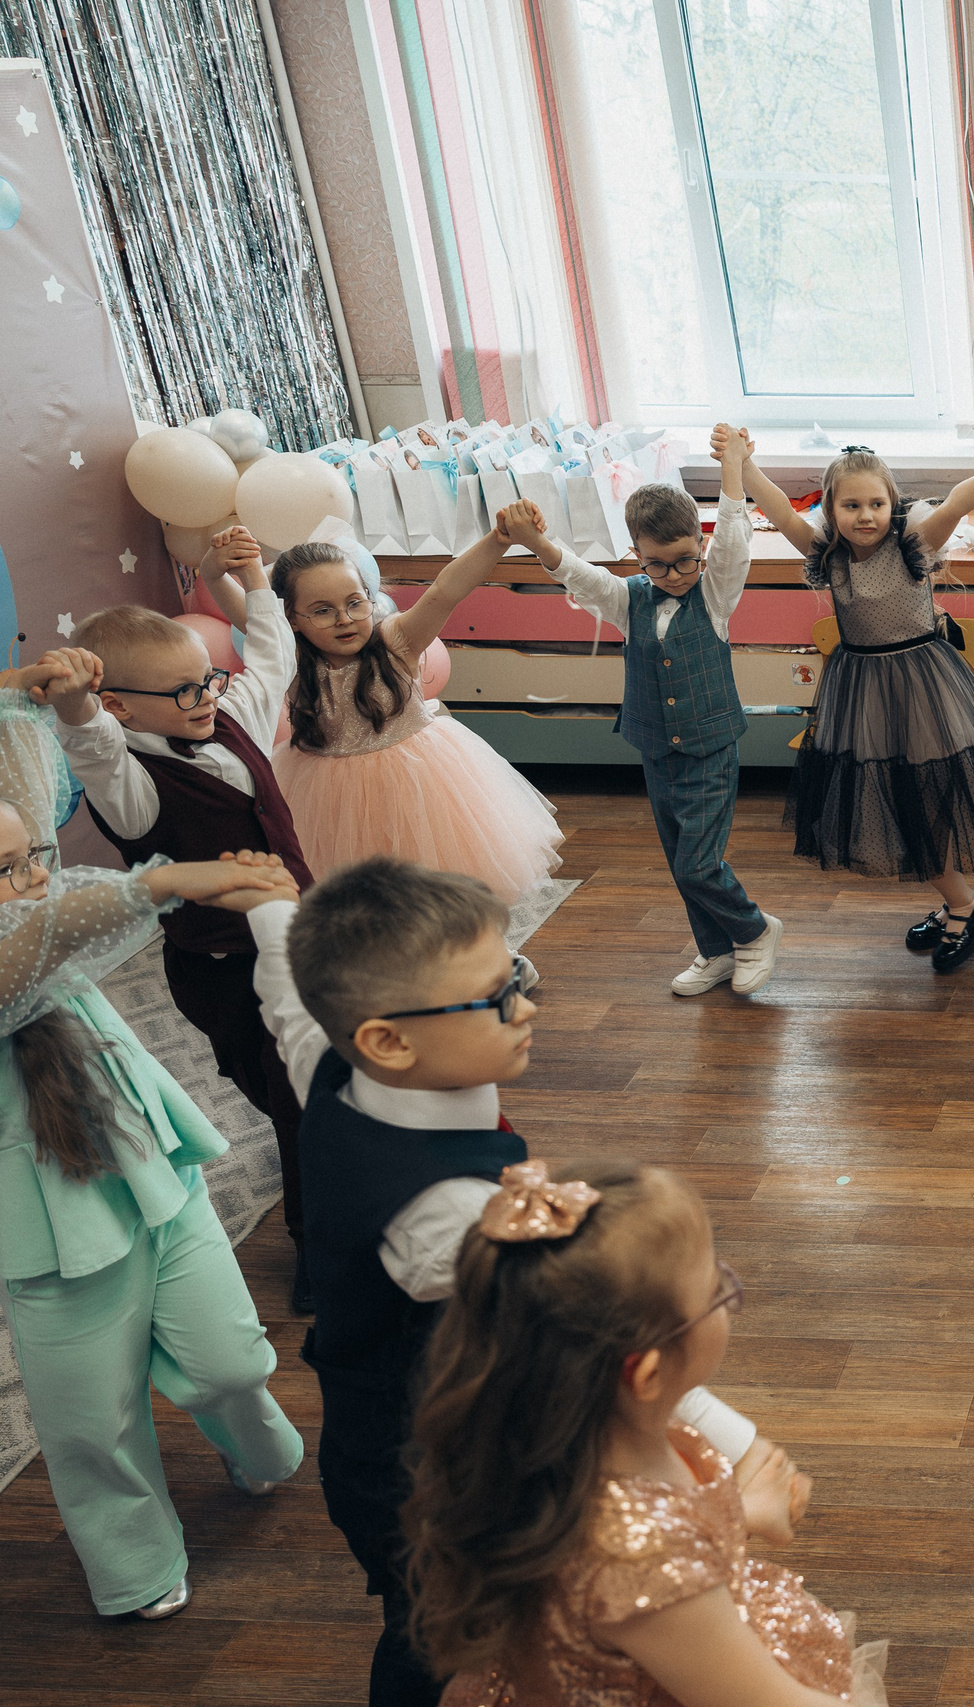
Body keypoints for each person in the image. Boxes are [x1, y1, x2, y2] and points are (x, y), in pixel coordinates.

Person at [247, 859, 789, 1705]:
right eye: (495, 998)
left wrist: (270, 906)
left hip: (404, 1421)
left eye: (517, 978)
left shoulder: (336, 1059)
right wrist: (741, 1446)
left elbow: (288, 994)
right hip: (421, 1469)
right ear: (388, 1040)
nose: (526, 1006)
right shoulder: (443, 1215)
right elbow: (597, 1327)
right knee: (439, 1636)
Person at [0, 675, 303, 1622]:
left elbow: (47, 894)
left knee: (230, 1360)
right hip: (49, 1223)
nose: (33, 881)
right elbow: (28, 947)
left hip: (149, 1164)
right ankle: (135, 1564)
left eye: (30, 858)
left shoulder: (36, 912)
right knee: (93, 1420)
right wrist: (163, 880)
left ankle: (259, 1449)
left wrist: (32, 695)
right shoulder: (24, 950)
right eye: (5, 871)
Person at [408, 1159, 885, 1707]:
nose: (728, 1287)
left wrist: (742, 1514)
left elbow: (628, 1549)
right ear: (648, 1374)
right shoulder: (646, 1569)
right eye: (716, 1290)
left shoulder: (570, 1440)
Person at [48, 528, 321, 1309]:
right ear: (119, 705)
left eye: (207, 681)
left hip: (300, 940)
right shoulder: (129, 783)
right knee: (266, 1079)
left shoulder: (231, 714)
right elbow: (92, 744)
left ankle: (316, 1236)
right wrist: (74, 699)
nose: (204, 699)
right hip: (219, 967)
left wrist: (253, 578)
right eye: (183, 692)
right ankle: (320, 1154)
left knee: (304, 1085)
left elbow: (272, 654)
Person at [499, 429, 782, 1000]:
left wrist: (732, 466)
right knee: (681, 864)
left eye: (685, 561)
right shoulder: (630, 598)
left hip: (709, 749)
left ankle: (754, 930)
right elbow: (579, 575)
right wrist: (536, 542)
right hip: (656, 750)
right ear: (637, 555)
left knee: (700, 864)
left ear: (700, 547)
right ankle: (716, 950)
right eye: (658, 565)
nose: (674, 575)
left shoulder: (716, 594)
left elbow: (733, 536)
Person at [765, 446, 974, 973]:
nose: (865, 516)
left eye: (876, 504)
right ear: (831, 509)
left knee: (923, 797)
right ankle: (960, 901)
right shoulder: (829, 555)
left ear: (893, 504)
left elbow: (955, 504)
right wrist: (742, 467)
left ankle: (966, 904)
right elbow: (782, 515)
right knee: (900, 799)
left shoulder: (912, 545)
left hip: (923, 688)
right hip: (862, 689)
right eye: (851, 506)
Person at [268, 516, 564, 911]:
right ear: (291, 618)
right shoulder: (289, 658)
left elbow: (445, 591)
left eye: (355, 603)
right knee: (354, 905)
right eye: (322, 610)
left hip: (416, 784)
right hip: (326, 798)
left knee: (432, 900)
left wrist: (498, 540)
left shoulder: (397, 641)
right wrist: (218, 572)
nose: (344, 619)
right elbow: (248, 614)